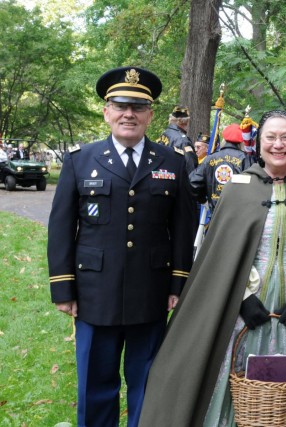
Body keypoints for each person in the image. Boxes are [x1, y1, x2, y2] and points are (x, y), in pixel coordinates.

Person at [139, 110, 286, 427]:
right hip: (244, 305)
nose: (278, 144)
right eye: (271, 137)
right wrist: (242, 297)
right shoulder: (238, 189)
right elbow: (220, 259)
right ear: (259, 142)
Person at [47, 66, 196, 427]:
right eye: (120, 105)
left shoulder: (173, 162)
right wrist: (64, 288)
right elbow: (62, 226)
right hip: (95, 292)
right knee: (95, 383)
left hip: (152, 291)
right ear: (106, 111)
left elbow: (184, 227)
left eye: (138, 107)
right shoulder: (80, 160)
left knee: (147, 381)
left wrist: (177, 284)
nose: (129, 114)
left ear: (150, 114)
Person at [189, 122, 252, 214]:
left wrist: (204, 201)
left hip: (216, 213)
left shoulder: (209, 158)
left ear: (224, 139)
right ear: (241, 141)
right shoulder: (246, 159)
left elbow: (192, 182)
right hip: (239, 214)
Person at [157, 105, 198, 174]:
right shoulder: (183, 141)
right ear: (185, 122)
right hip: (177, 181)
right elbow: (191, 168)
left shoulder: (164, 134)